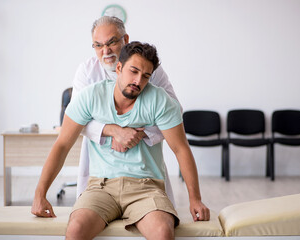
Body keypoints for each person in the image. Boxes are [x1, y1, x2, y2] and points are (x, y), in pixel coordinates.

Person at [32, 42, 210, 240]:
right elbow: (62, 145)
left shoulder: (159, 100)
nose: (138, 81)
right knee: (75, 230)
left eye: (146, 76)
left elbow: (180, 149)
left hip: (146, 187)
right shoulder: (90, 96)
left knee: (162, 232)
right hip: (101, 187)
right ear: (118, 68)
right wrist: (40, 195)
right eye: (133, 71)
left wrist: (196, 199)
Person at [73, 16, 178, 202]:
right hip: (101, 170)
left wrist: (139, 133)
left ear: (125, 39)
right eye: (98, 45)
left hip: (144, 167)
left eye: (111, 42)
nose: (105, 51)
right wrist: (115, 131)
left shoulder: (151, 69)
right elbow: (77, 122)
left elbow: (173, 112)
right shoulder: (87, 72)